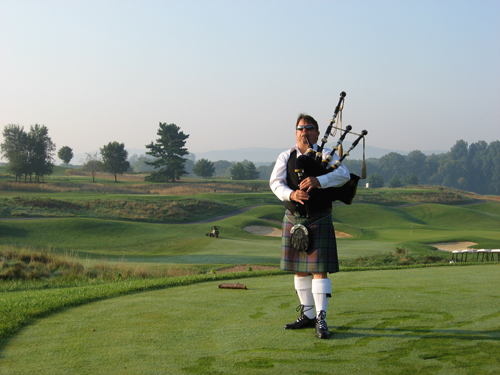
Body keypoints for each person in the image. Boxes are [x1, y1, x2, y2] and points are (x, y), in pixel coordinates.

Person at [269, 113, 350, 339]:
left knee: (318, 270)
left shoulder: (327, 155)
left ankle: (321, 319)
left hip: (319, 217)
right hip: (294, 218)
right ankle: (308, 314)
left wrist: (319, 181)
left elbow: (343, 175)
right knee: (300, 269)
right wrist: (291, 194)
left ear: (316, 132)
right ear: (296, 133)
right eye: (300, 128)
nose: (304, 131)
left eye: (309, 128)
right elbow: (275, 183)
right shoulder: (286, 156)